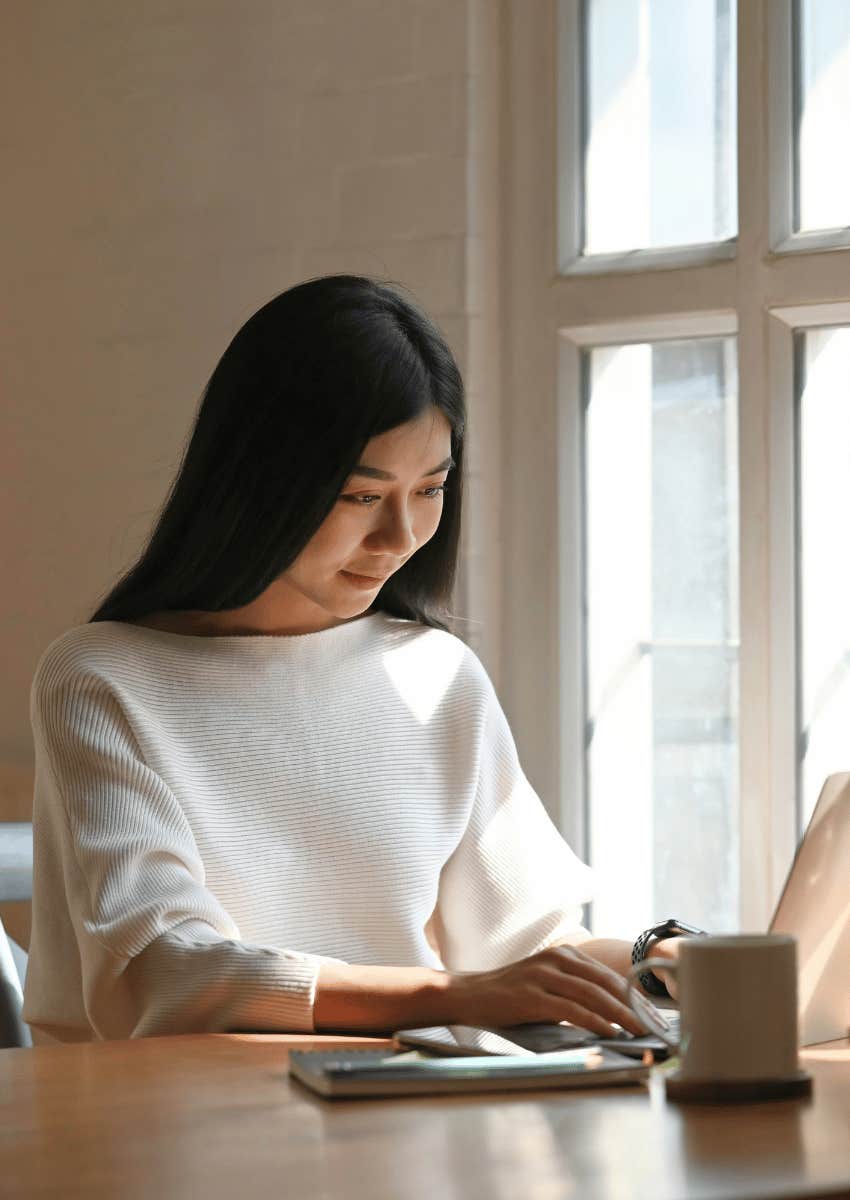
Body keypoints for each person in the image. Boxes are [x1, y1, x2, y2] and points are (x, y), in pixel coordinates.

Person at [23, 275, 684, 1044]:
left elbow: (526, 946)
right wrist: (450, 996)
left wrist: (659, 963)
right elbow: (163, 970)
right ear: (261, 482)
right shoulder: (102, 678)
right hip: (189, 1128)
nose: (401, 537)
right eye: (361, 497)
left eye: (430, 489)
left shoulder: (436, 678)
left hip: (411, 1118)